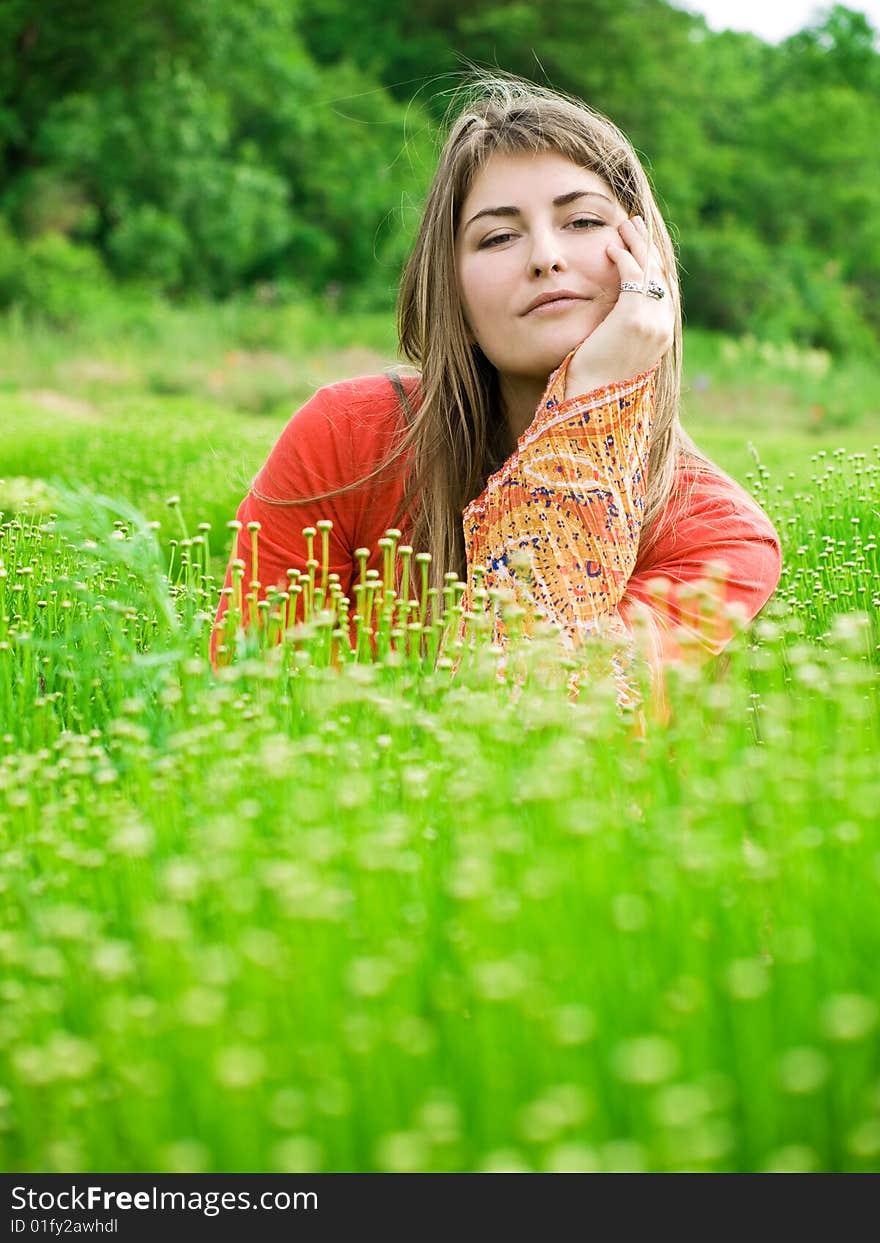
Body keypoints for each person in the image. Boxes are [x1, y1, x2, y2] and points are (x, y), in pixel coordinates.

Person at [211, 75, 782, 706]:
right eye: (498, 236)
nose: (545, 257)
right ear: (451, 287)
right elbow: (245, 702)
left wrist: (588, 399)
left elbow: (538, 710)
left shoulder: (717, 535)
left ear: (646, 260)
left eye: (583, 221)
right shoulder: (349, 439)